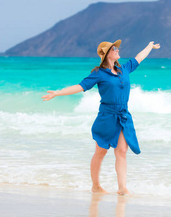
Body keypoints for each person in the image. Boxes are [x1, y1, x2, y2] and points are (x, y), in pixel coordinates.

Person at [42, 40, 160, 195]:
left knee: (122, 151)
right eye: (114, 48)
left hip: (123, 115)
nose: (117, 50)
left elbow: (139, 57)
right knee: (101, 152)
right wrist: (57, 93)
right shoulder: (98, 74)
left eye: (117, 48)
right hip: (107, 116)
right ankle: (96, 185)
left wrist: (149, 47)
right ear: (106, 54)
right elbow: (80, 86)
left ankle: (122, 188)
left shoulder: (124, 68)